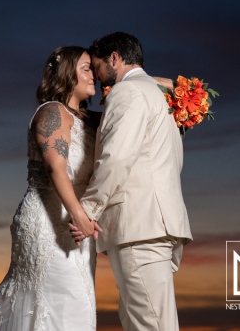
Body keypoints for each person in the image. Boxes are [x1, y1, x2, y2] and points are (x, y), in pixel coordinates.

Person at [0, 46, 99, 331]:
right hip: (48, 223)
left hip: (79, 227)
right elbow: (55, 168)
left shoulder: (94, 120)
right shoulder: (52, 112)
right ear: (67, 74)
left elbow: (142, 93)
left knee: (79, 306)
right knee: (63, 304)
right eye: (86, 68)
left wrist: (142, 79)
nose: (94, 75)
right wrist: (80, 217)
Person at [71, 32, 192, 331]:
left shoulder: (127, 93)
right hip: (156, 223)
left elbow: (116, 157)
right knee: (143, 320)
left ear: (114, 57)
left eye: (98, 67)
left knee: (150, 324)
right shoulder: (159, 95)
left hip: (139, 226)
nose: (98, 77)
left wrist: (87, 210)